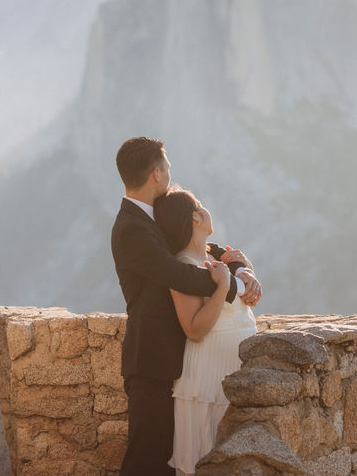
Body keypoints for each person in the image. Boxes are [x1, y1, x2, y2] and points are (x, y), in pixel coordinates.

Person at [111, 136, 262, 476]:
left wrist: (240, 269)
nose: (169, 172)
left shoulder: (154, 218)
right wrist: (234, 285)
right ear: (156, 174)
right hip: (152, 361)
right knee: (146, 459)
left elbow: (199, 246)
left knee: (166, 461)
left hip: (178, 361)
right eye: (167, 166)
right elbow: (178, 273)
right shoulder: (131, 228)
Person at [154, 187, 259, 475]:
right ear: (195, 217)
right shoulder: (183, 266)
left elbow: (241, 297)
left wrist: (246, 272)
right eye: (200, 206)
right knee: (210, 454)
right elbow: (194, 329)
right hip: (210, 375)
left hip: (238, 367)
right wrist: (223, 287)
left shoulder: (219, 257)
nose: (206, 209)